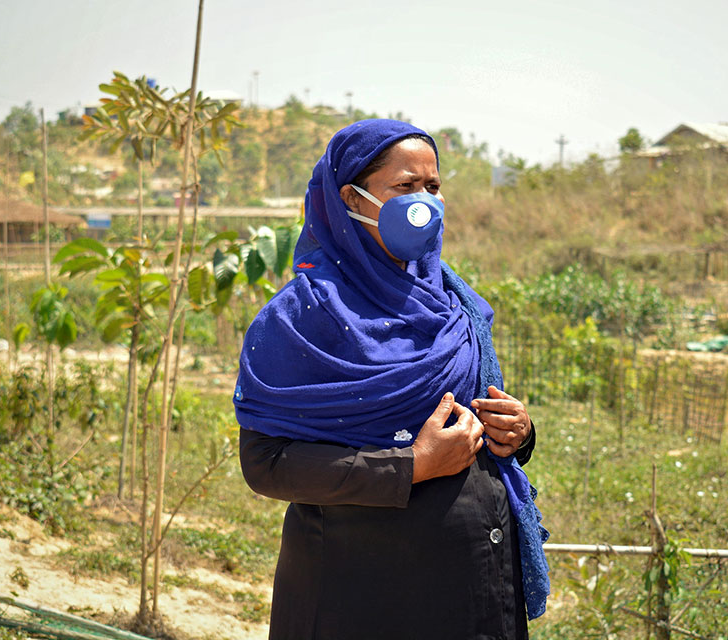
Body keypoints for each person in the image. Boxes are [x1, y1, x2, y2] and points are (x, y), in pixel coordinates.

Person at [235, 119, 549, 640]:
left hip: (473, 590)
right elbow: (266, 464)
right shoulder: (302, 317)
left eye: (433, 187)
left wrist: (517, 431)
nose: (425, 200)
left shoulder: (454, 304)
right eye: (404, 187)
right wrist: (410, 466)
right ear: (349, 199)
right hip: (359, 598)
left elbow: (474, 411)